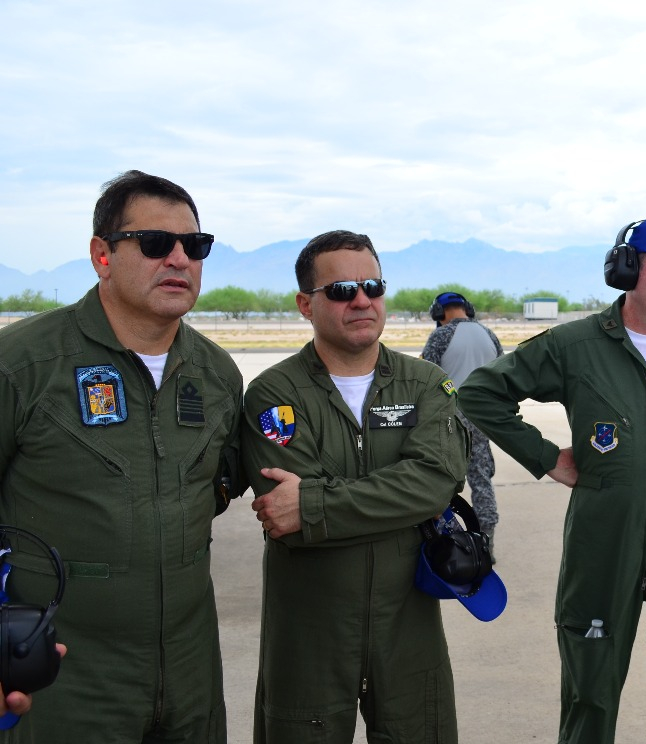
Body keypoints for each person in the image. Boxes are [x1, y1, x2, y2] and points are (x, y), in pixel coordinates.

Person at [458, 217, 646, 744]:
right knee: (589, 692)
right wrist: (546, 456)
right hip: (600, 543)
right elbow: (480, 392)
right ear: (626, 269)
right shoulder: (574, 346)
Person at [0, 170, 243, 742]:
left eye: (195, 246)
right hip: (62, 685)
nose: (179, 259)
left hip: (190, 683)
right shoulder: (26, 366)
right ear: (101, 255)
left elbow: (219, 487)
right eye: (155, 243)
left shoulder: (217, 376)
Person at [241, 231, 468, 743]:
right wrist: (393, 498)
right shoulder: (275, 393)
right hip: (310, 633)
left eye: (372, 285)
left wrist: (316, 502)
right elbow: (284, 517)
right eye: (342, 289)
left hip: (408, 625)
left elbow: (433, 484)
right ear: (306, 304)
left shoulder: (425, 385)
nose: (362, 299)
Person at [422, 291, 504, 540]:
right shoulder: (488, 334)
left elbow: (425, 377)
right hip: (483, 416)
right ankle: (486, 540)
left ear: (439, 312)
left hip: (451, 419)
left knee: (444, 479)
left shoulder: (441, 335)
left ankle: (448, 538)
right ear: (467, 308)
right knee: (481, 481)